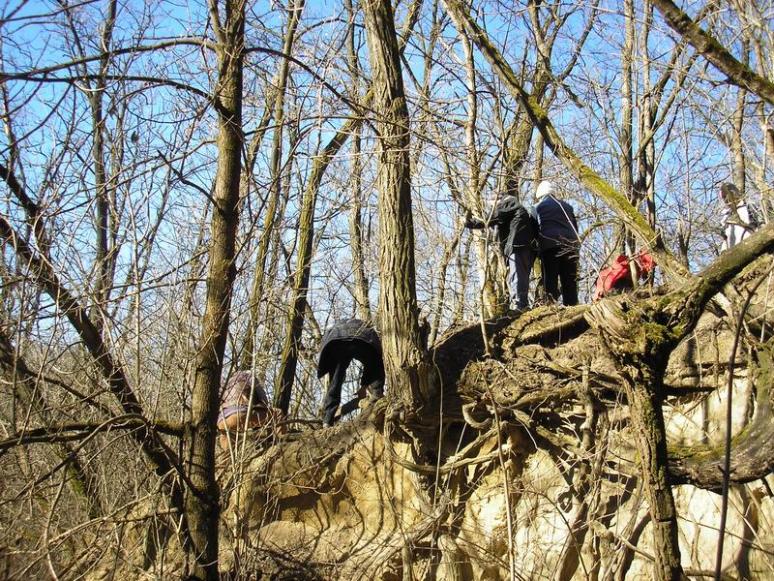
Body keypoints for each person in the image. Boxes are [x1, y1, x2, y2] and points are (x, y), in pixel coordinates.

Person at [465, 192, 539, 310]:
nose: (494, 208)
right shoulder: (514, 206)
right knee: (521, 276)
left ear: (498, 200)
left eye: (493, 205)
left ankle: (518, 305)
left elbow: (492, 218)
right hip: (525, 247)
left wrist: (471, 223)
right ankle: (522, 304)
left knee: (517, 276)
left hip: (517, 246)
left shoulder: (509, 203)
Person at [317, 318, 385, 427]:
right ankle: (377, 397)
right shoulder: (366, 327)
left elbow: (325, 345)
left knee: (335, 380)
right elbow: (374, 360)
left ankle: (327, 419)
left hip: (336, 341)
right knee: (375, 364)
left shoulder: (334, 328)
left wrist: (363, 387)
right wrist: (372, 386)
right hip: (362, 340)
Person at [533, 180, 581, 306]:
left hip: (549, 245)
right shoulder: (567, 206)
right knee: (569, 280)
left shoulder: (537, 207)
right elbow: (574, 227)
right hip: (570, 245)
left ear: (540, 194)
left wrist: (536, 249)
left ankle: (551, 306)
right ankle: (572, 307)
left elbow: (533, 229)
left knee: (550, 278)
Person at [217, 371, 281, 449]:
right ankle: (279, 446)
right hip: (241, 414)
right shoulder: (248, 376)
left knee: (228, 451)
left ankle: (226, 459)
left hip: (223, 421)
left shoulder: (225, 383)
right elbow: (264, 400)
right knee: (277, 413)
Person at [720, 182, 758, 250]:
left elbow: (758, 226)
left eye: (725, 196)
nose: (725, 200)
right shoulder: (725, 217)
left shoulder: (748, 207)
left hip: (750, 245)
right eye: (723, 197)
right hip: (733, 252)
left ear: (733, 193)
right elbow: (725, 238)